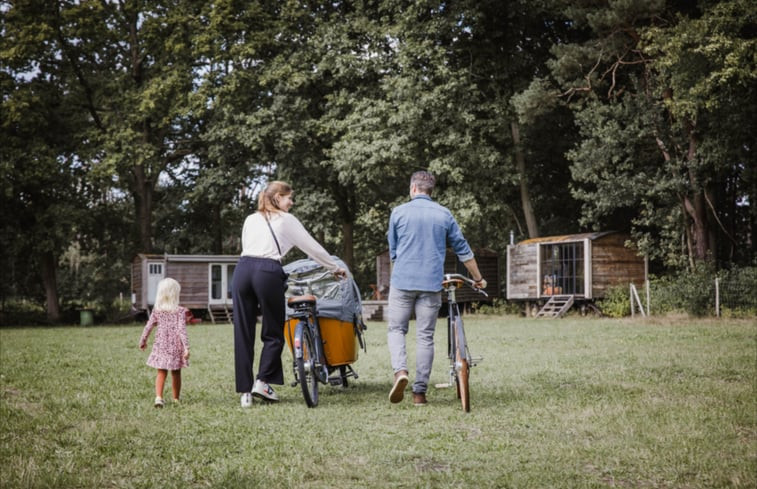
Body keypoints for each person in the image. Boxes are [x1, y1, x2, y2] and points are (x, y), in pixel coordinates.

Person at [233, 181, 347, 407]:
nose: (291, 202)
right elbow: (311, 247)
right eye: (288, 198)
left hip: (242, 270)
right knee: (273, 330)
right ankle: (262, 381)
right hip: (267, 270)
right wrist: (334, 267)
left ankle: (245, 392)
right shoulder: (286, 220)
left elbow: (249, 248)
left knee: (243, 332)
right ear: (276, 197)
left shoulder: (250, 219)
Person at [386, 170, 487, 406]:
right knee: (425, 336)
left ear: (413, 189)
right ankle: (419, 393)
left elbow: (393, 250)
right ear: (431, 191)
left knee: (396, 329)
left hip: (402, 281)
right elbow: (464, 250)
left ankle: (401, 372)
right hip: (431, 284)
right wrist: (478, 278)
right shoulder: (444, 214)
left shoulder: (398, 213)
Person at [138, 277, 191, 408]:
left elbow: (149, 326)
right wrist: (186, 347)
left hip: (161, 345)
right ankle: (176, 399)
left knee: (161, 372)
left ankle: (159, 397)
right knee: (176, 372)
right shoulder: (180, 311)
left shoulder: (157, 310)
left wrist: (143, 340)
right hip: (175, 347)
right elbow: (181, 330)